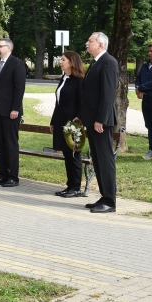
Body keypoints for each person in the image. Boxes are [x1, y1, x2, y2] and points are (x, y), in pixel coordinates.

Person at [76, 32, 119, 213]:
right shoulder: (96, 62)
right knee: (98, 160)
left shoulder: (108, 62)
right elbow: (90, 95)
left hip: (102, 121)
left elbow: (108, 95)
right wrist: (83, 116)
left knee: (105, 160)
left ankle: (110, 200)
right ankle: (104, 196)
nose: (87, 43)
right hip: (92, 120)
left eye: (90, 41)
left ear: (100, 44)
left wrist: (100, 119)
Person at [0, 38, 26, 187]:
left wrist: (15, 108)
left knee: (10, 144)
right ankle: (3, 174)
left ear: (9, 48)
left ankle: (13, 176)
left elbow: (19, 88)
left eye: (0, 46)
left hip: (10, 112)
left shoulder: (17, 64)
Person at [49, 50, 85, 198]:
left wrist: (79, 119)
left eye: (63, 59)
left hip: (73, 123)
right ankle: (70, 185)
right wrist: (53, 121)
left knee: (74, 154)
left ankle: (76, 187)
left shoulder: (79, 80)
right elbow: (58, 103)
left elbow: (83, 102)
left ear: (71, 62)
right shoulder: (64, 78)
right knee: (66, 153)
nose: (60, 62)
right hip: (60, 120)